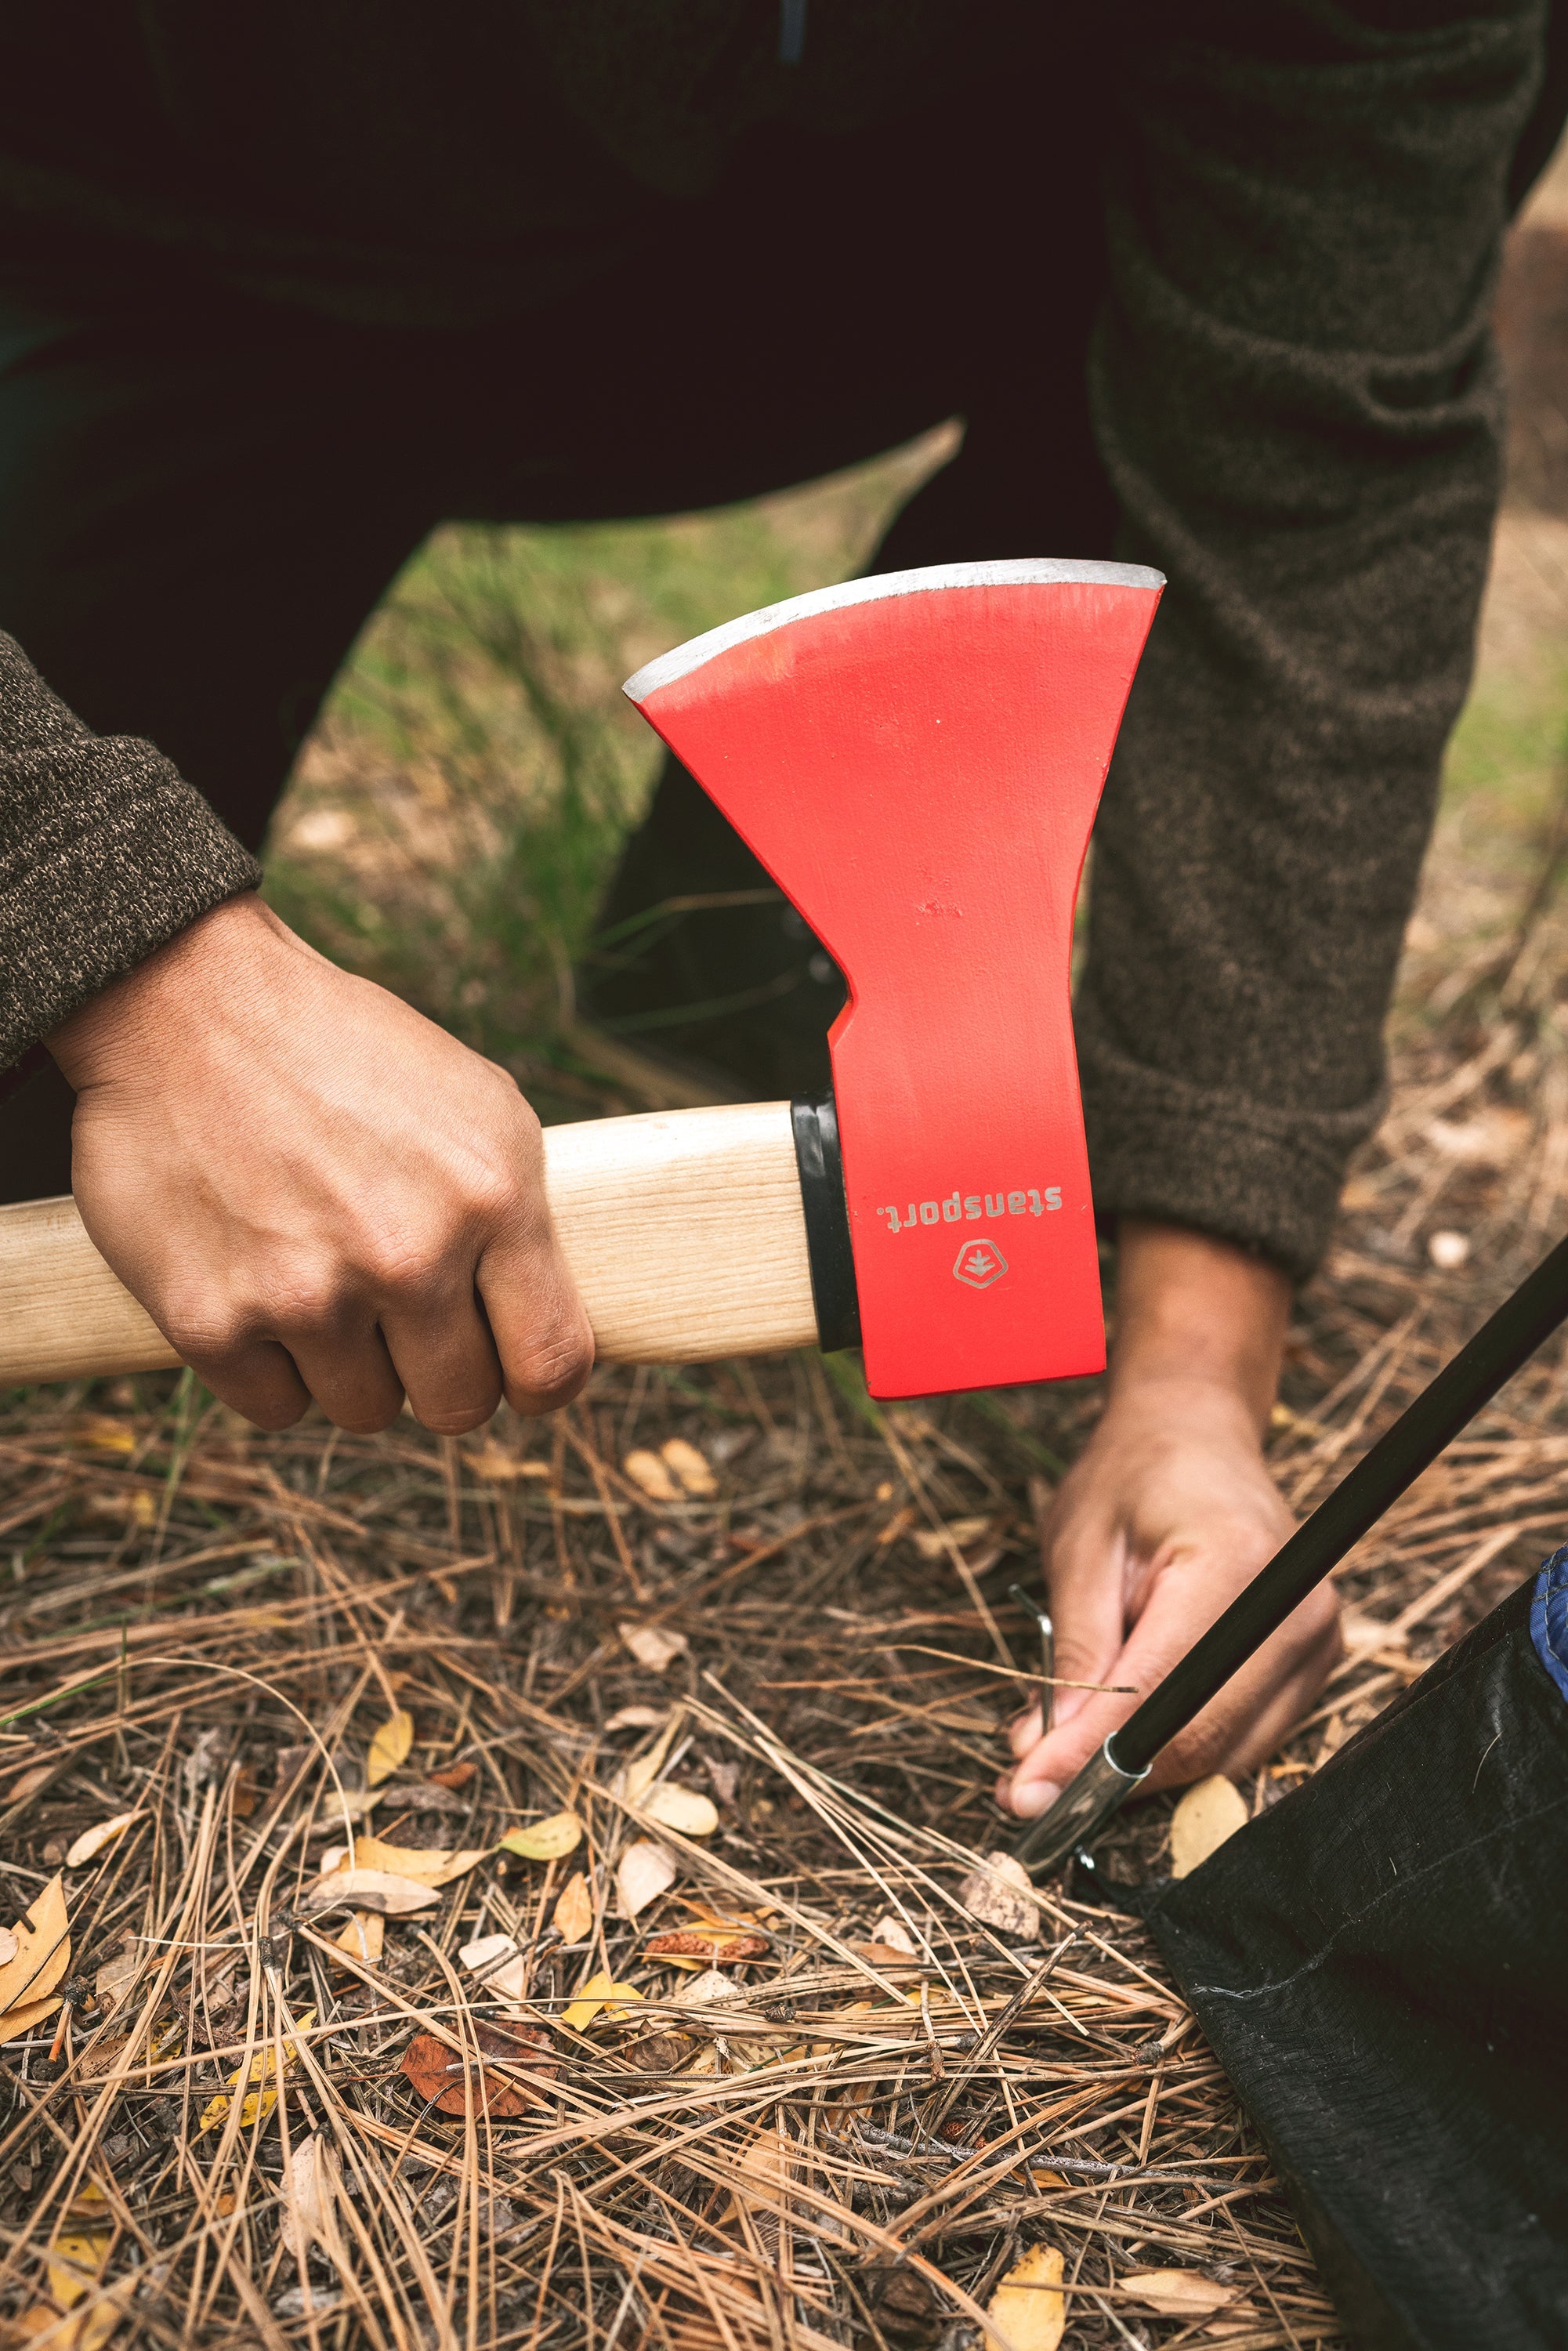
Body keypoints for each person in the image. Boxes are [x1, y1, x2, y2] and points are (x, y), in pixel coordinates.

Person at [0, 4, 1560, 1824]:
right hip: (132, 216)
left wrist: (1195, 1372)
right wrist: (120, 947)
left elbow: (1317, 462)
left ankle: (778, 883)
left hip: (778, 238)